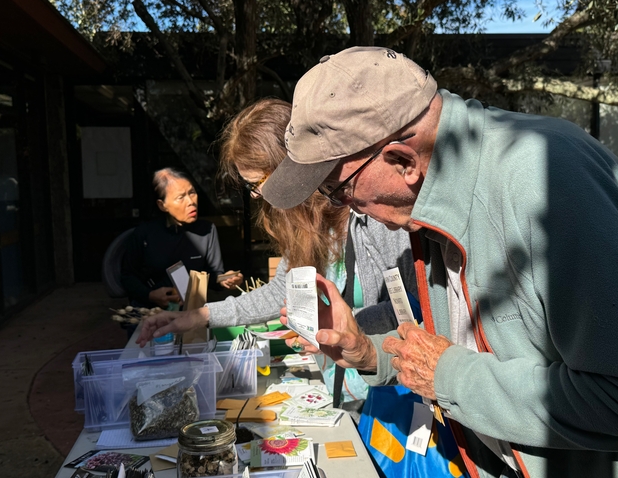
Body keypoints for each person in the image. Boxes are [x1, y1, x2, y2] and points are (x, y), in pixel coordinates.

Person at [262, 46, 618, 477]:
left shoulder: (547, 181)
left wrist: (451, 380)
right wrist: (371, 354)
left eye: (340, 191)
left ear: (402, 160)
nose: (348, 208)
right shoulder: (430, 197)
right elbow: (473, 346)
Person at [136, 99, 417, 402]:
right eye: (250, 186)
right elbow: (280, 291)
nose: (257, 195)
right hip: (350, 388)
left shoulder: (371, 215)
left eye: (259, 182)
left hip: (395, 386)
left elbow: (415, 307)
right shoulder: (305, 224)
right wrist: (200, 315)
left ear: (290, 167)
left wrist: (344, 326)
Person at [121, 167, 244, 309]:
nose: (191, 202)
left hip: (191, 310)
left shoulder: (207, 230)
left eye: (192, 193)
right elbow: (127, 277)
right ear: (163, 205)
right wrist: (150, 295)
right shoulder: (145, 233)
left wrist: (225, 279)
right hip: (150, 310)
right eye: (181, 197)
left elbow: (213, 275)